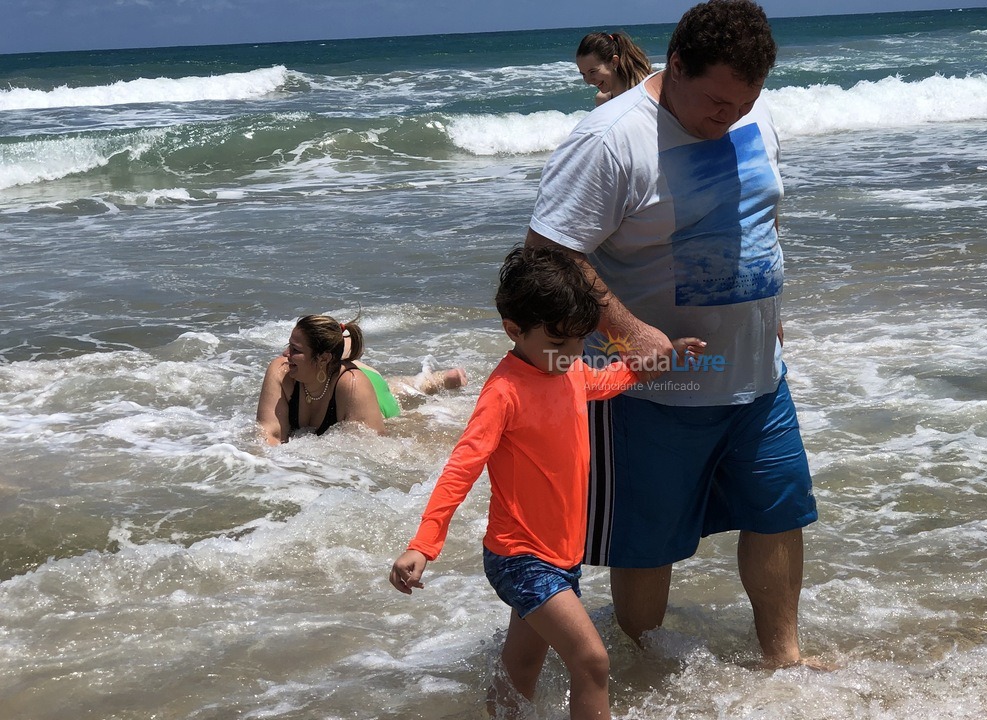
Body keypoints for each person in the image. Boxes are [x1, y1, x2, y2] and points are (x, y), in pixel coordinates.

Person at [526, 0, 818, 669]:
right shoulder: (611, 138)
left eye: (745, 103)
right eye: (716, 102)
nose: (731, 118)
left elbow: (761, 218)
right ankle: (650, 675)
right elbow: (547, 251)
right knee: (647, 544)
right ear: (676, 65)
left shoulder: (750, 110)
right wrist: (626, 332)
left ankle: (786, 662)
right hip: (652, 390)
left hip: (758, 375)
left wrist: (772, 319)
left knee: (778, 513)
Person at [389, 246, 703, 719]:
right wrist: (423, 544)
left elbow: (606, 379)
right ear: (513, 330)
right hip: (520, 557)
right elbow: (461, 467)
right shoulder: (504, 393)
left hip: (561, 554)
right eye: (559, 343)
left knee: (522, 667)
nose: (573, 354)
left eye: (580, 341)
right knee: (592, 660)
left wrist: (663, 359)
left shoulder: (567, 367)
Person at [256, 314, 467, 445]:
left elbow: (372, 449)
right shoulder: (282, 371)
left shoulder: (354, 386)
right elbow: (269, 434)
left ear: (323, 358)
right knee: (395, 388)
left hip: (364, 385)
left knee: (396, 398)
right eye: (289, 345)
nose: (285, 353)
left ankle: (439, 380)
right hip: (331, 374)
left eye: (295, 349)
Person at [575, 31, 652, 106]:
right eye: (584, 74)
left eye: (592, 72)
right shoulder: (603, 100)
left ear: (614, 62)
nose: (588, 81)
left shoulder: (648, 92)